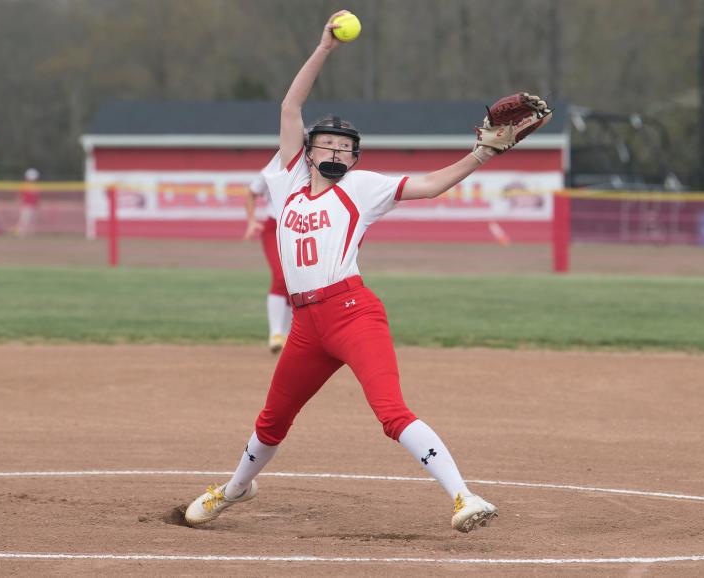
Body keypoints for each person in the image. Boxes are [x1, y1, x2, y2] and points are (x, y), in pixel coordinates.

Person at [184, 10, 547, 533]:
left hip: (353, 312)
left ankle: (464, 498)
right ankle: (235, 488)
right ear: (307, 151)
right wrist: (324, 49)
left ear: (355, 157)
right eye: (326, 145)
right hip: (306, 325)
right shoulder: (286, 182)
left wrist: (481, 155)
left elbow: (430, 184)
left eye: (345, 148)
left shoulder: (362, 187)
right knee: (271, 421)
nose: (335, 151)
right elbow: (291, 105)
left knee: (391, 412)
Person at [244, 165, 293, 353]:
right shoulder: (274, 168)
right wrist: (251, 221)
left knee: (294, 282)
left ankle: (289, 335)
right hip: (274, 228)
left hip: (300, 228)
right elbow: (251, 193)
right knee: (281, 277)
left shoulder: (312, 166)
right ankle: (275, 334)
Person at [17, 168, 40, 237]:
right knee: (24, 220)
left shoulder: (36, 186)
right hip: (26, 205)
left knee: (32, 221)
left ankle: (30, 234)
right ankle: (21, 233)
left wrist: (37, 205)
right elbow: (20, 196)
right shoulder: (24, 185)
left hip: (33, 206)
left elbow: (37, 198)